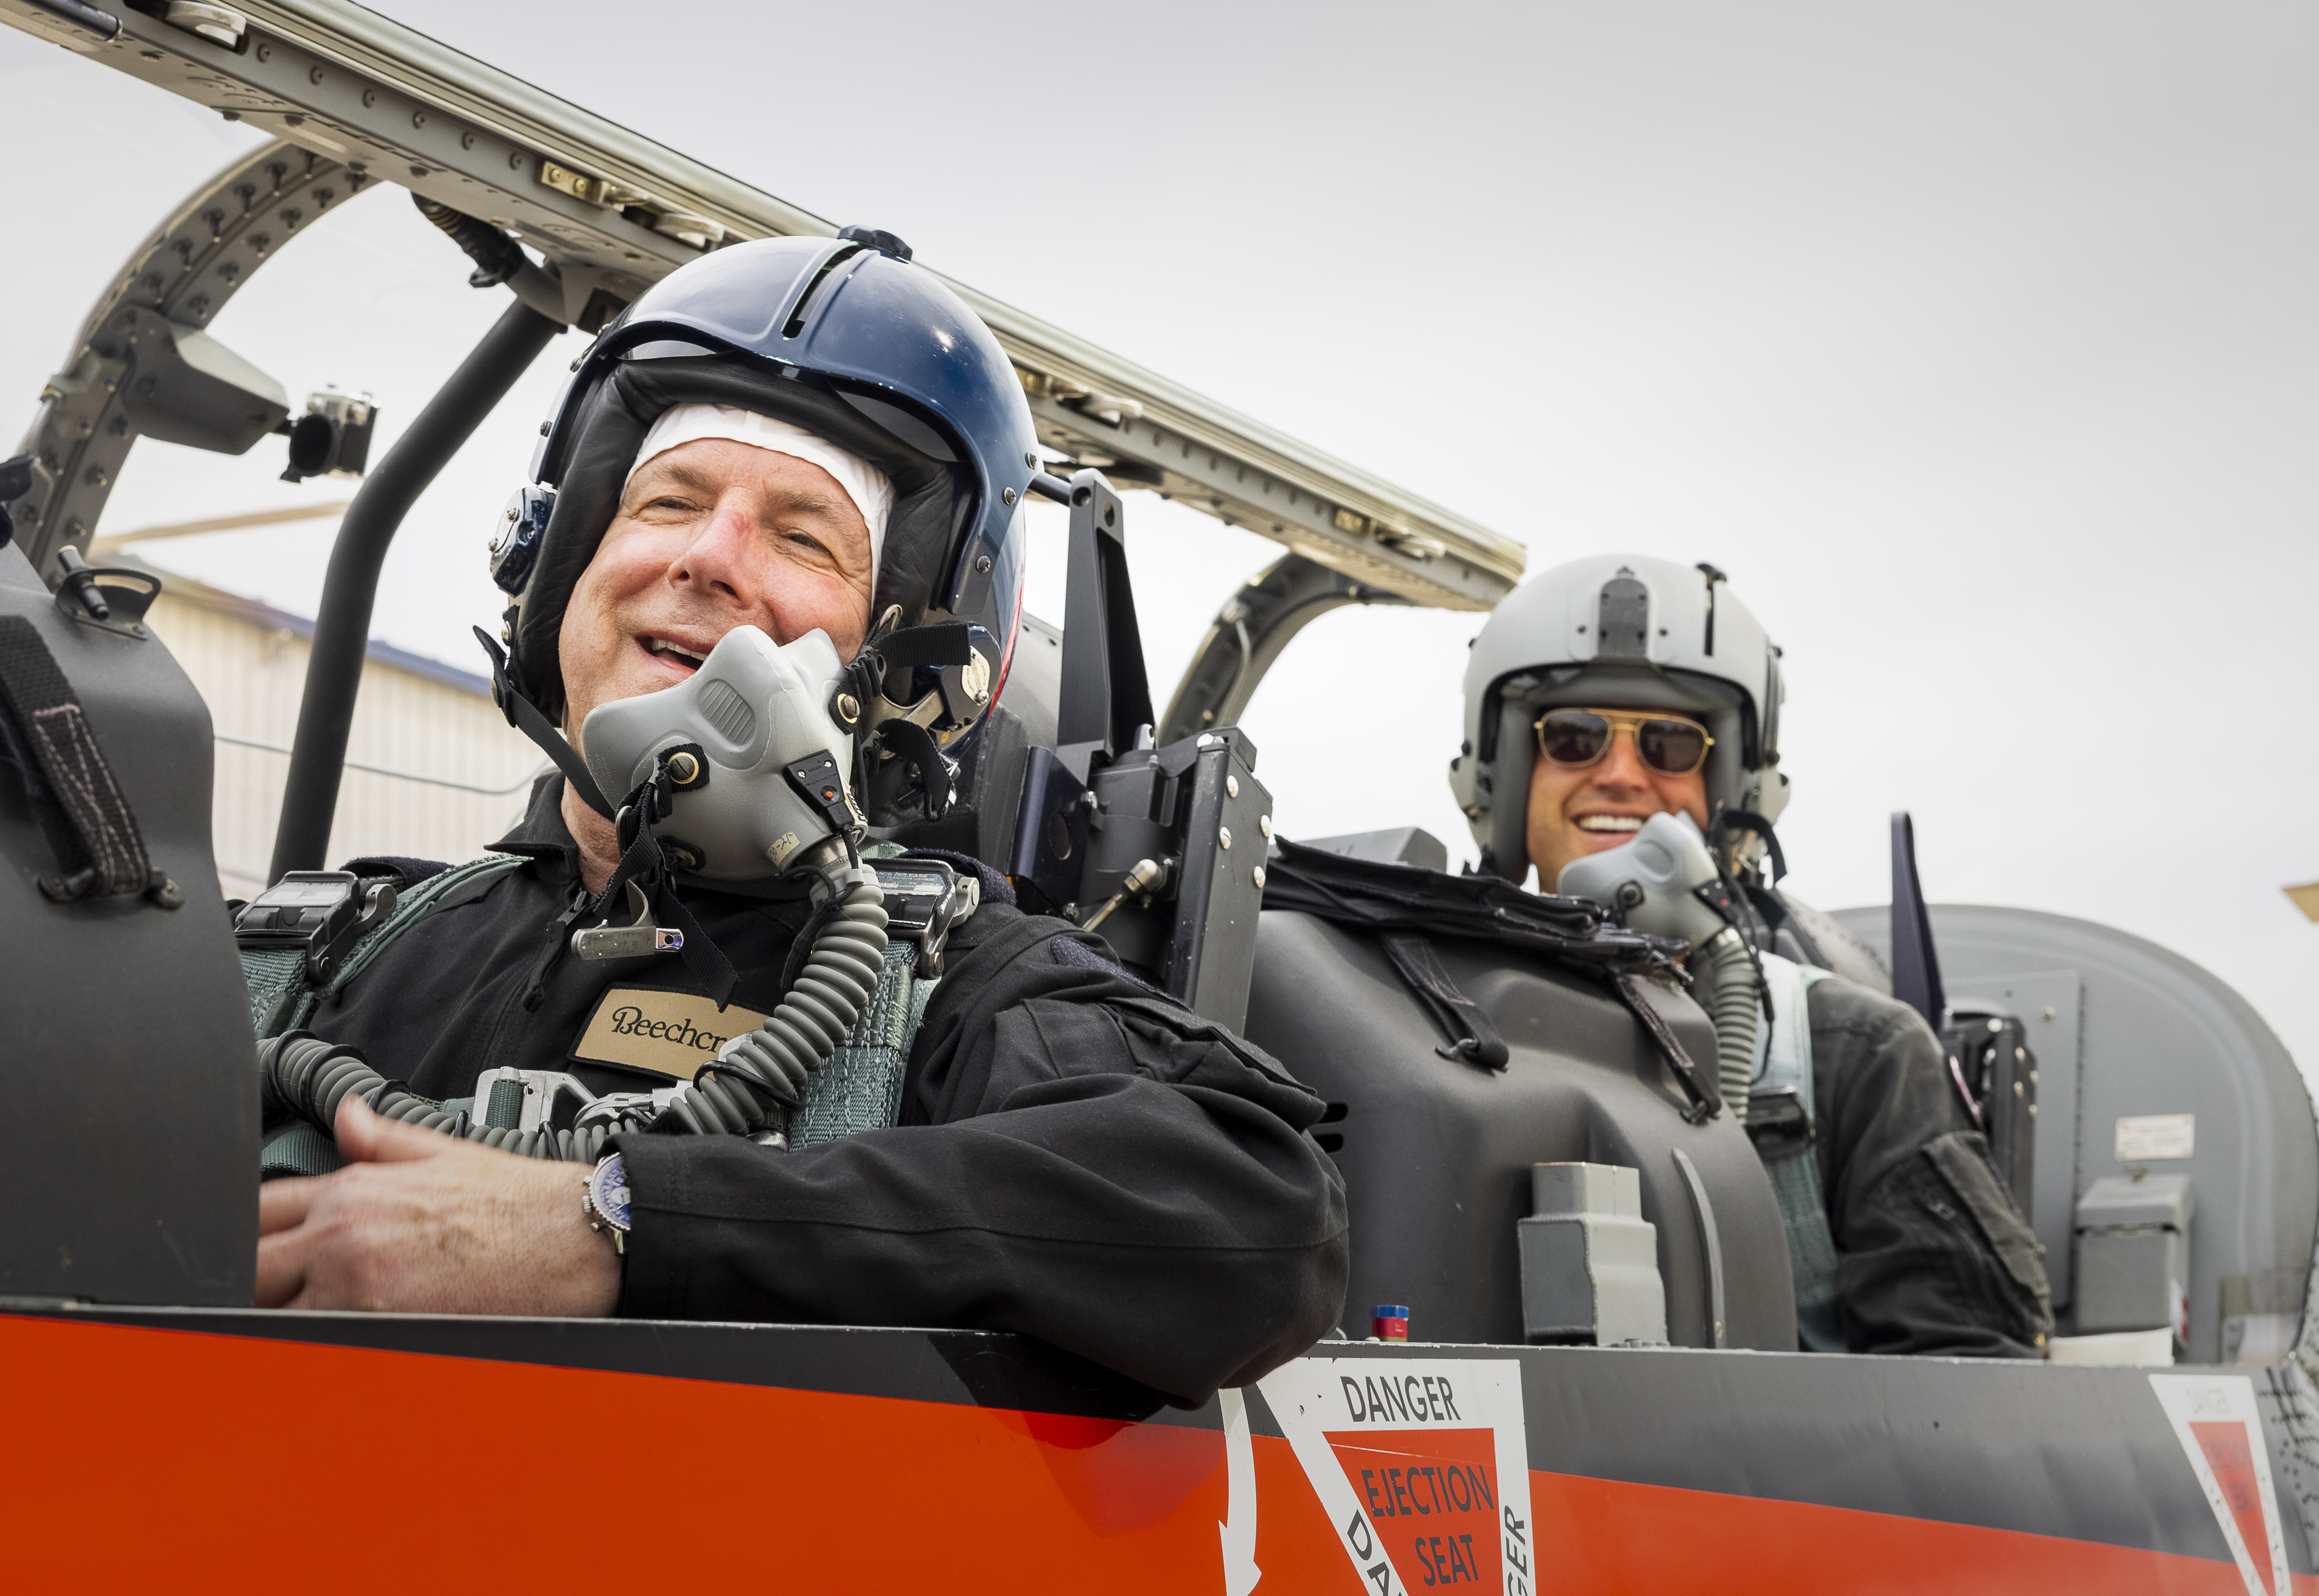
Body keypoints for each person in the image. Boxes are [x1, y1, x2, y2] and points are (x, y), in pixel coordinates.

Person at [250, 234, 1347, 1406]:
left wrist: (618, 1221)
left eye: (800, 535)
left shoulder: (947, 986)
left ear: (907, 662)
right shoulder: (325, 950)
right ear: (560, 562)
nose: (706, 558)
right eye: (667, 501)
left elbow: (1259, 1212)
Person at [1448, 553, 2051, 1356]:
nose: (1619, 775)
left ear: (1735, 790)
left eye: (1669, 744)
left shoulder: (1855, 1056)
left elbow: (1966, 1382)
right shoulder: (1416, 1020)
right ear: (1507, 776)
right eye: (1572, 737)